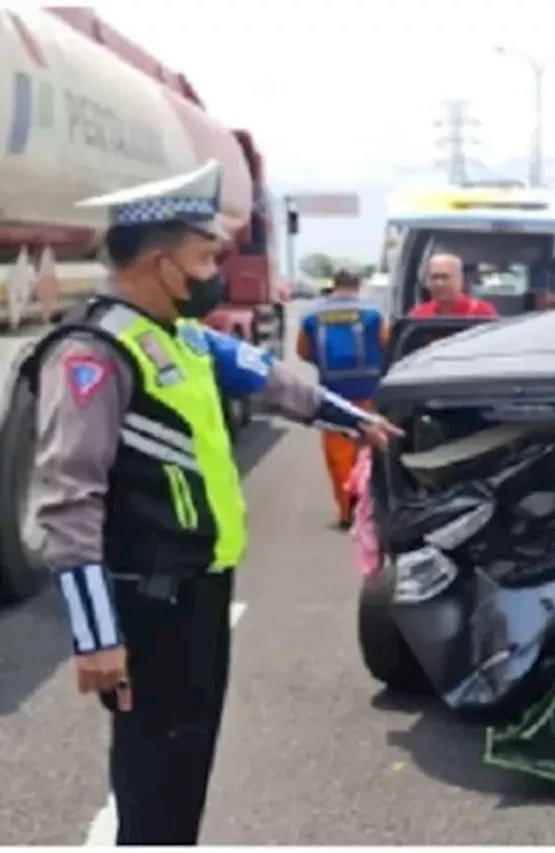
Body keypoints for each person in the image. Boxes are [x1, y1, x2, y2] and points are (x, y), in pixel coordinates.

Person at [24, 161, 403, 846]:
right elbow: (67, 497)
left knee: (186, 762)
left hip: (197, 589)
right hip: (149, 600)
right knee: (154, 777)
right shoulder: (94, 353)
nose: (213, 274)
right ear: (164, 264)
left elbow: (273, 380)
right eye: (204, 258)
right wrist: (95, 635)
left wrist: (361, 422)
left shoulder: (181, 336)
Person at [295, 267, 390, 528]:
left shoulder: (312, 314)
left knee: (339, 456)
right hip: (370, 393)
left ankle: (349, 512)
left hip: (333, 395)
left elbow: (302, 351)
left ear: (334, 284)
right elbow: (387, 344)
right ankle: (372, 508)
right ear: (358, 285)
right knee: (371, 450)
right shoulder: (374, 312)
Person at [408, 253, 497, 318]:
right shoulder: (419, 314)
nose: (439, 283)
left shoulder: (482, 312)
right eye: (434, 277)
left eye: (445, 277)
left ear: (459, 280)